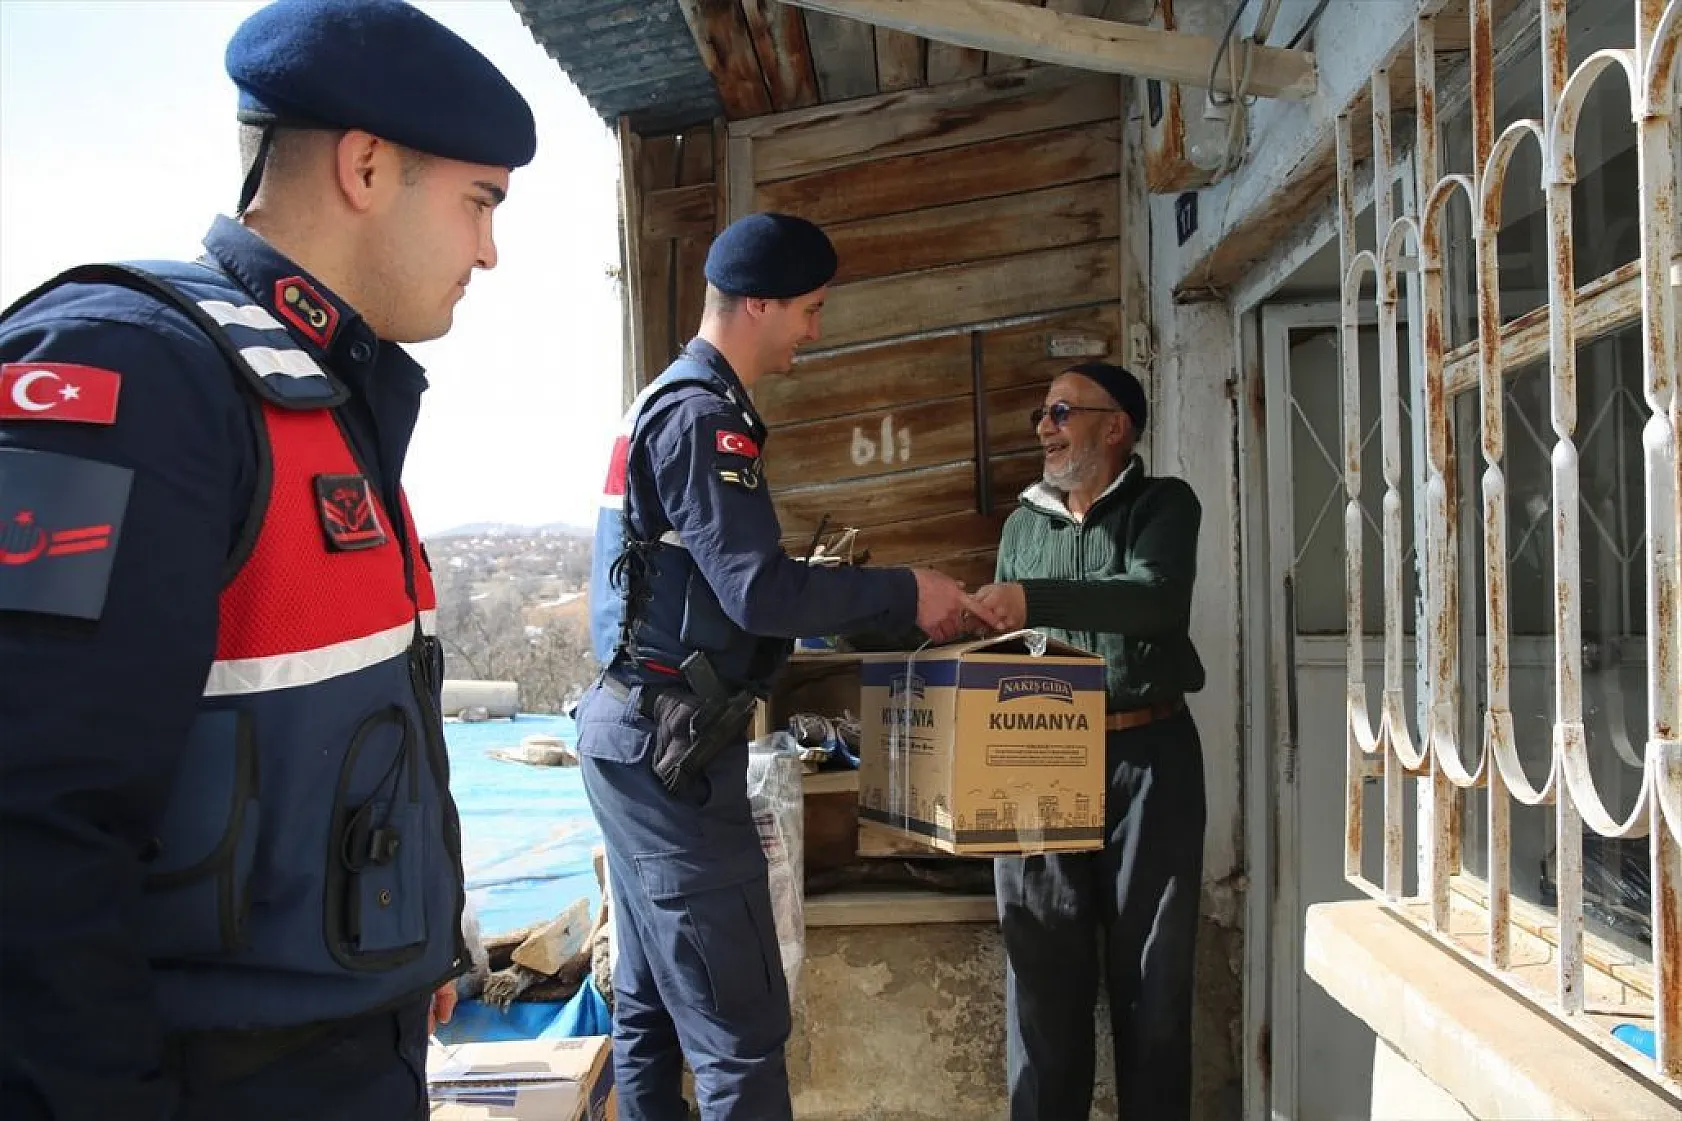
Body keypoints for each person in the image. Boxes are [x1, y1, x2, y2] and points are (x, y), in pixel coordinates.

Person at [0, 3, 535, 1119]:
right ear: (367, 164)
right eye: (479, 202)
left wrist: (407, 943)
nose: (490, 248)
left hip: (343, 1048)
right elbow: (29, 828)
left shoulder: (322, 395)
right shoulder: (135, 374)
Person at [581, 211, 1002, 1121]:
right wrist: (906, 590)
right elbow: (757, 595)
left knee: (650, 1005)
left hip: (633, 737)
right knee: (742, 1036)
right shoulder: (703, 418)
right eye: (809, 309)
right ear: (759, 304)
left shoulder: (667, 399)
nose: (815, 330)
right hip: (671, 756)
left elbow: (715, 584)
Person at [970, 362, 1208, 1121]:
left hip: (1149, 761)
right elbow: (1009, 646)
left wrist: (1035, 598)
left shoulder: (1162, 505)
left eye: (1063, 411)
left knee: (1155, 980)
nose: (1045, 424)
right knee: (1041, 978)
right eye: (1042, 412)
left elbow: (1156, 599)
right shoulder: (1021, 527)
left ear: (1116, 425)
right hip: (1038, 758)